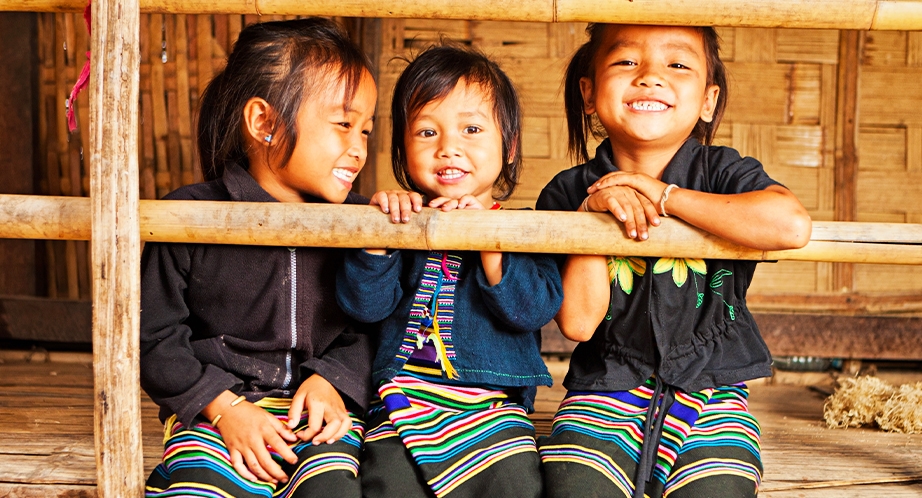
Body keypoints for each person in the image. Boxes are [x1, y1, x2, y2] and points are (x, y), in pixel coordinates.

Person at [536, 24, 812, 498]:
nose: (649, 77)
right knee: (576, 486)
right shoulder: (567, 191)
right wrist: (590, 218)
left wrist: (667, 197)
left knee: (717, 489)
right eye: (626, 62)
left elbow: (790, 225)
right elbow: (578, 325)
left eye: (677, 65)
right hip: (601, 393)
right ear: (588, 92)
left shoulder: (724, 173)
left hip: (714, 397)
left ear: (707, 100)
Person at [140, 18, 381, 498]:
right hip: (215, 415)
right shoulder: (187, 216)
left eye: (366, 130)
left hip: (320, 414)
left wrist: (333, 380)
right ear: (264, 123)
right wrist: (223, 407)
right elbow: (153, 336)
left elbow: (375, 322)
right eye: (343, 124)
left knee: (333, 487)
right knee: (199, 488)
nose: (358, 148)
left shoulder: (361, 222)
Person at [335, 44, 563, 498]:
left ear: (510, 145)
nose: (448, 148)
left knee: (516, 484)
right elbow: (365, 307)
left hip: (495, 406)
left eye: (472, 129)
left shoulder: (524, 227)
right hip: (400, 399)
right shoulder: (399, 218)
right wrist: (378, 236)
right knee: (387, 483)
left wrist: (489, 240)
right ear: (402, 146)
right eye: (426, 132)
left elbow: (532, 310)